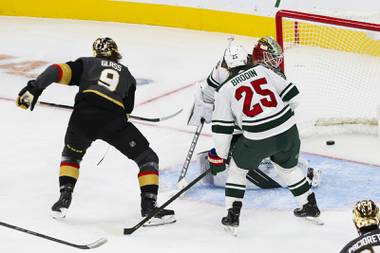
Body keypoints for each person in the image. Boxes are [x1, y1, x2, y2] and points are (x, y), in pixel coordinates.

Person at [16, 37, 175, 226]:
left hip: (82, 117)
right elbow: (127, 110)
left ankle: (64, 198)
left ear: (96, 53)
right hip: (113, 121)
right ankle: (148, 208)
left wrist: (35, 89)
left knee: (71, 156)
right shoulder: (128, 75)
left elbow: (55, 71)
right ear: (116, 53)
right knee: (147, 159)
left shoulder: (87, 64)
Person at [205, 42, 321, 234]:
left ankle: (232, 215)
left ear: (226, 65)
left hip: (258, 138)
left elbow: (222, 131)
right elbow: (295, 98)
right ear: (246, 59)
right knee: (288, 168)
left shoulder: (224, 90)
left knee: (237, 171)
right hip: (289, 131)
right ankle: (309, 205)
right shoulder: (262, 70)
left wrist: (220, 155)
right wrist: (273, 115)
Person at [188, 36, 321, 190]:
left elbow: (284, 104)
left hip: (253, 125)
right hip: (238, 121)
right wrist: (203, 106)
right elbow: (209, 91)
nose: (275, 63)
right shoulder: (228, 67)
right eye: (271, 58)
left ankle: (253, 157)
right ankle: (242, 156)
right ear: (258, 56)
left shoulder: (271, 73)